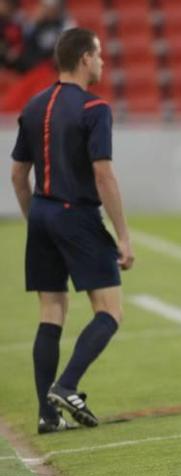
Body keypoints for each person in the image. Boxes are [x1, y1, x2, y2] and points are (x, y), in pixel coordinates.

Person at [9, 27, 134, 434]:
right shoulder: (94, 108)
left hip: (42, 210)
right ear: (84, 58)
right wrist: (123, 236)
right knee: (110, 311)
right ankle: (67, 385)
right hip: (76, 213)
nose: (102, 62)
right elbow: (104, 175)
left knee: (51, 312)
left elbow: (17, 175)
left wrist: (36, 220)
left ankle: (48, 416)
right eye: (98, 55)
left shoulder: (33, 106)